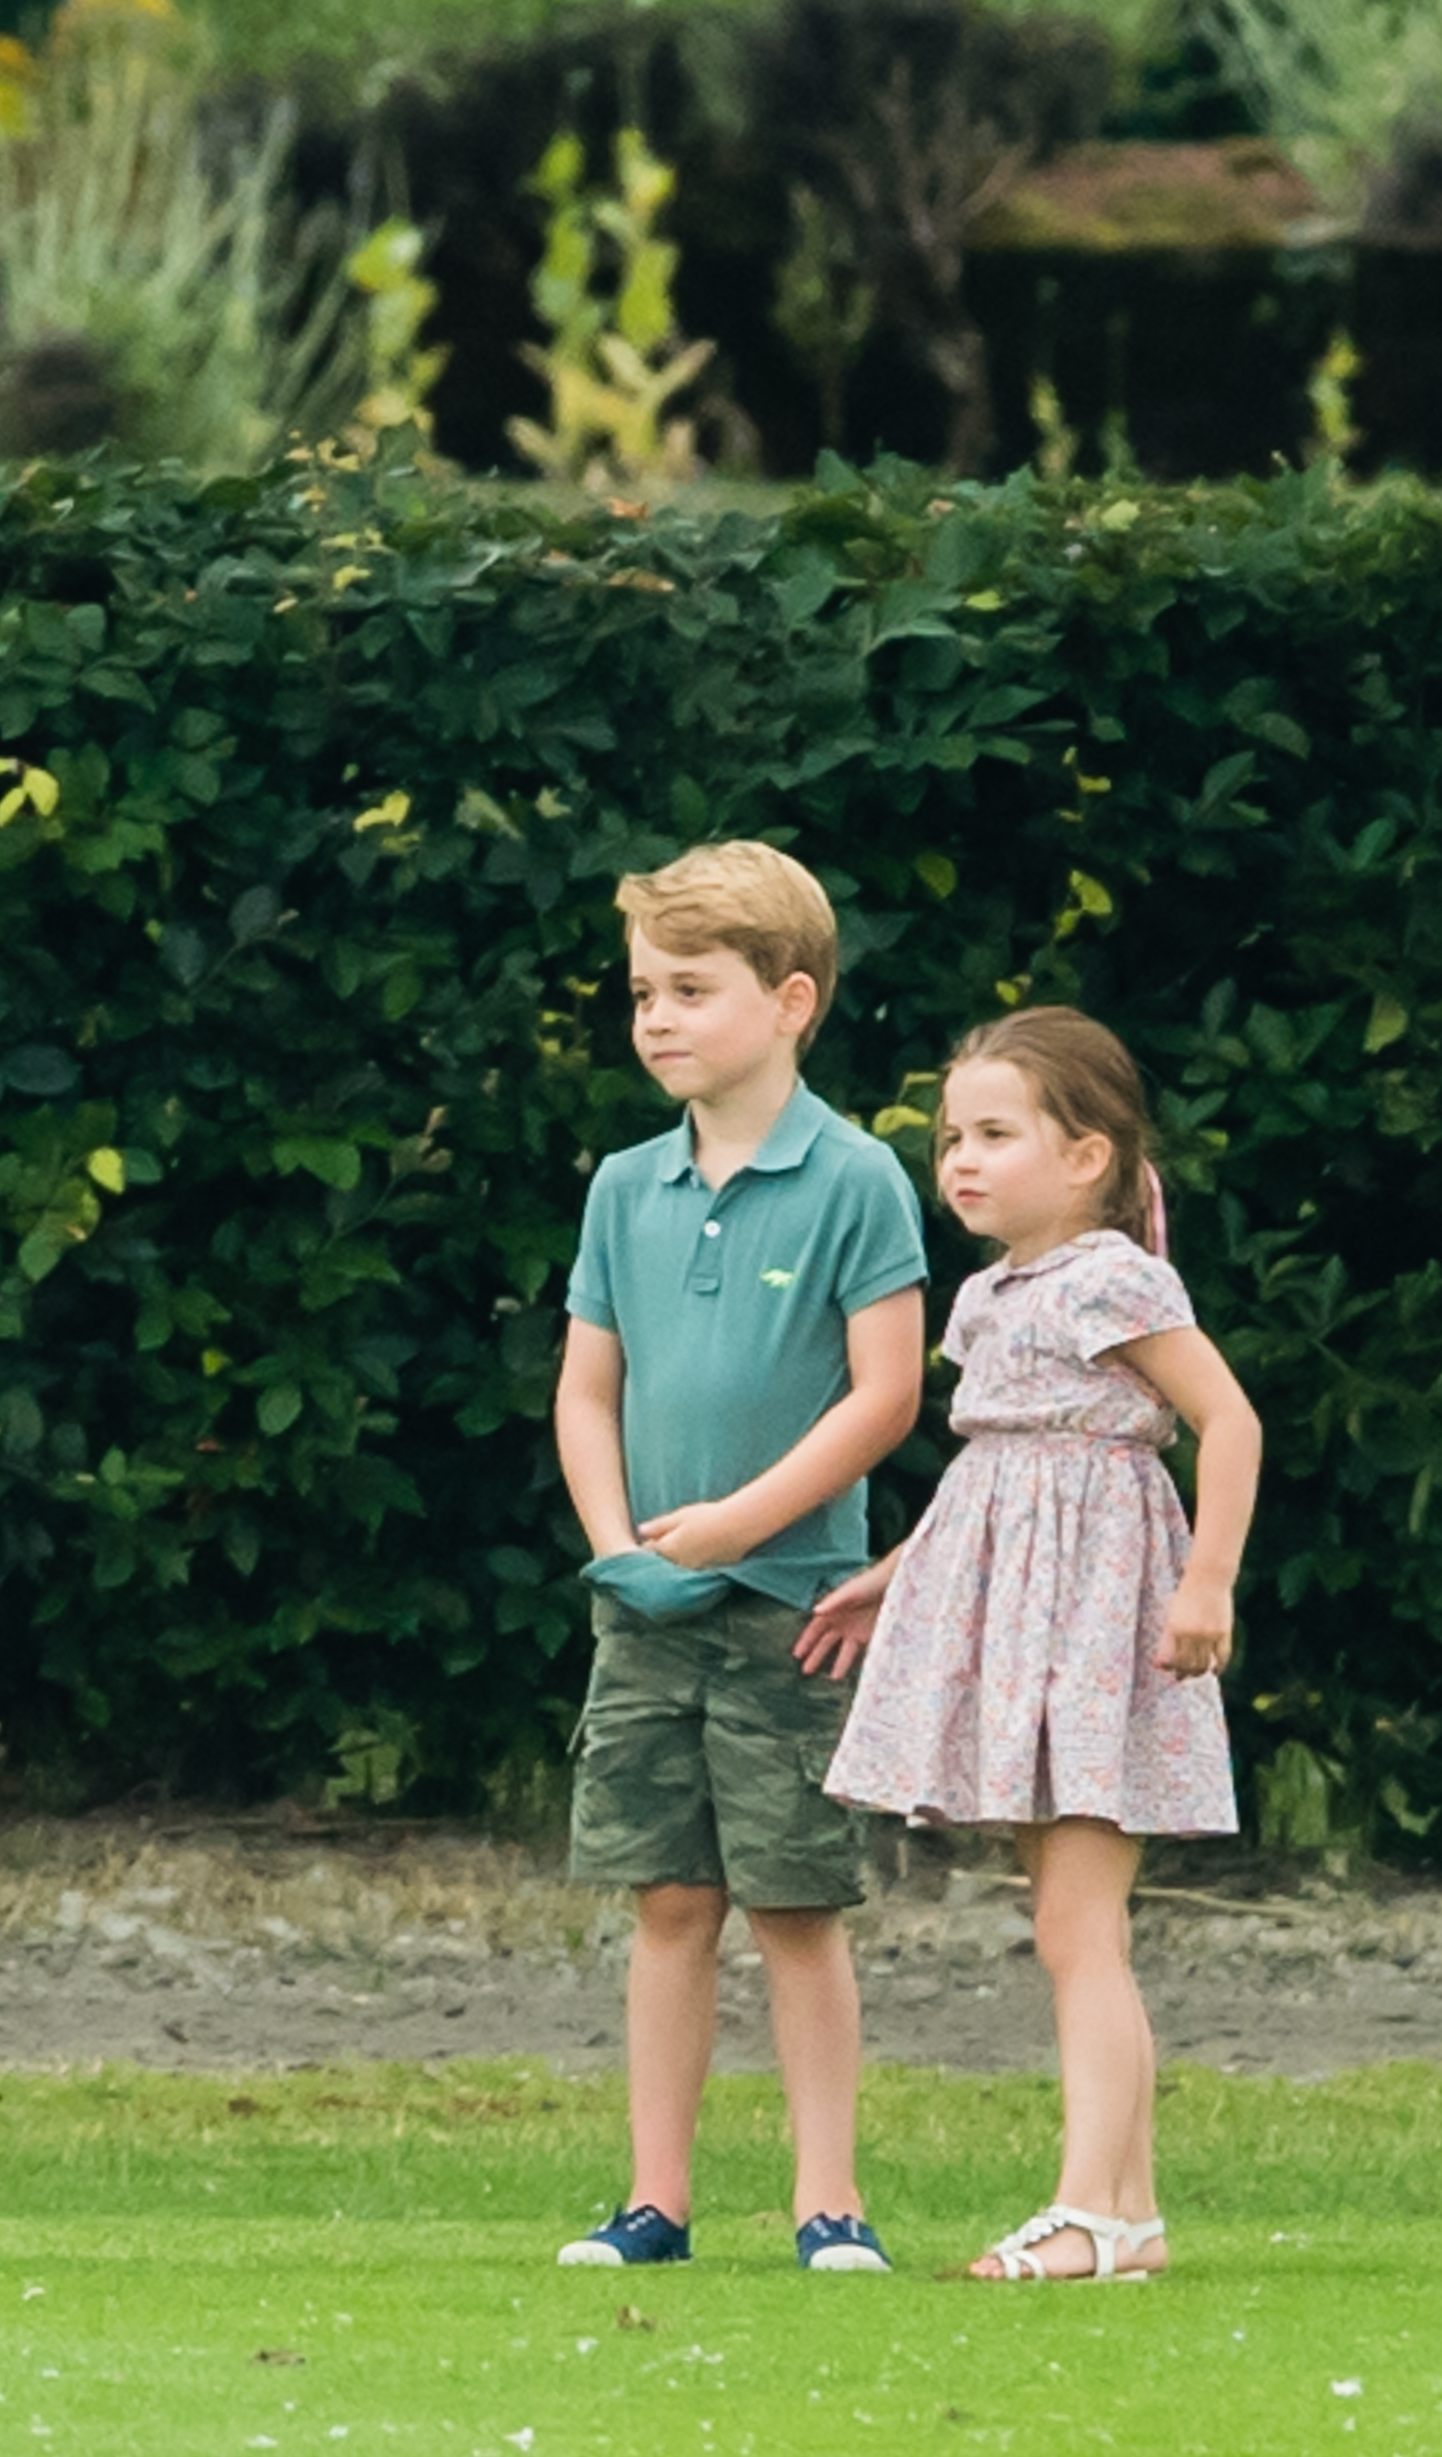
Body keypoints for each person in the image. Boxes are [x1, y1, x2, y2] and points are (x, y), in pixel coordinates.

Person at [803, 1006, 1260, 2283]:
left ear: (1088, 1157)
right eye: (953, 1135)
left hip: (1097, 1629)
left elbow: (1228, 1423)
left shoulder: (1117, 1280)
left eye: (996, 1133)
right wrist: (892, 1582)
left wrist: (1204, 1585)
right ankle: (1130, 2215)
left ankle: (1092, 2215)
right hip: (1018, 1631)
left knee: (1077, 1929)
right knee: (1073, 1926)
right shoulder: (992, 1295)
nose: (960, 1158)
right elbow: (988, 1486)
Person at [552, 841, 928, 2274]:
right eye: (642, 991)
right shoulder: (621, 1185)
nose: (654, 1018)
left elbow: (884, 1395)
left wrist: (735, 1528)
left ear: (791, 1001)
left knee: (793, 1905)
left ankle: (828, 2206)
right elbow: (587, 1390)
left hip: (794, 1607)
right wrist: (618, 1549)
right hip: (644, 1615)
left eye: (689, 990)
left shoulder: (857, 1177)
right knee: (668, 1901)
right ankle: (655, 2205)